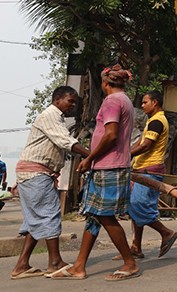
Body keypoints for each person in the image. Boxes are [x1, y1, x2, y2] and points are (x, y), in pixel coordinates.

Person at [51, 65, 139, 281]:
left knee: (104, 214)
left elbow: (110, 135)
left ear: (105, 83)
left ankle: (129, 263)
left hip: (109, 165)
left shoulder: (111, 101)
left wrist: (89, 158)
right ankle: (79, 265)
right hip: (109, 165)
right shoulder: (125, 100)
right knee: (93, 214)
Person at [9, 86, 90, 279]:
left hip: (34, 172)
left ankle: (21, 265)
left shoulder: (57, 118)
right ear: (57, 99)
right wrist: (92, 155)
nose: (73, 105)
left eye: (74, 102)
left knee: (35, 220)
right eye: (70, 101)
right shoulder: (50, 115)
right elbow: (65, 141)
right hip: (36, 173)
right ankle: (55, 262)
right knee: (49, 215)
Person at [121, 90, 177, 259]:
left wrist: (126, 155)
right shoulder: (151, 122)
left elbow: (146, 145)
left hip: (149, 170)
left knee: (138, 206)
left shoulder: (157, 122)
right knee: (136, 206)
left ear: (155, 103)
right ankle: (136, 246)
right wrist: (126, 154)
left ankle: (166, 232)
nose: (142, 105)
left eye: (145, 102)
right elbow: (139, 142)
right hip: (141, 169)